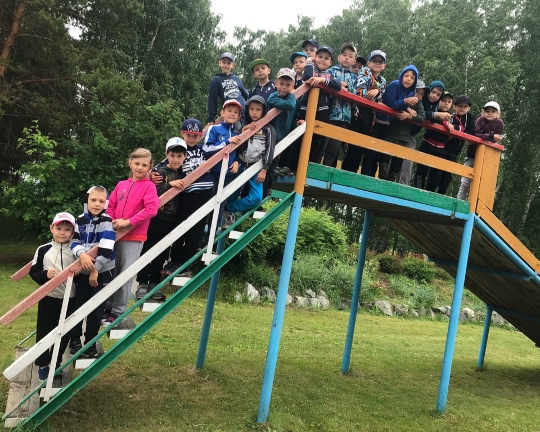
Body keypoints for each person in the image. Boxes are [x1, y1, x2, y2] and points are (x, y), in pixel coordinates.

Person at [103, 148, 160, 327]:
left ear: (150, 167)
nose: (140, 168)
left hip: (134, 237)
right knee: (111, 273)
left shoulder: (149, 186)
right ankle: (106, 308)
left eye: (144, 165)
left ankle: (118, 312)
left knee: (125, 275)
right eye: (137, 163)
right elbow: (110, 206)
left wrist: (128, 222)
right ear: (130, 163)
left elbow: (151, 209)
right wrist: (113, 221)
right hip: (115, 237)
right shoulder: (121, 185)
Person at [162, 119, 215, 277]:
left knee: (195, 232)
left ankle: (184, 264)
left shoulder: (204, 149)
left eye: (195, 136)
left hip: (205, 193)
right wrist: (154, 174)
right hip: (187, 194)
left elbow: (222, 152)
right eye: (189, 135)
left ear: (200, 136)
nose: (192, 139)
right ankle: (173, 261)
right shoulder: (179, 151)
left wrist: (236, 162)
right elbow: (164, 164)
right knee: (180, 228)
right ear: (182, 134)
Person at [135, 138, 187, 300]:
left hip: (171, 220)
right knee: (148, 249)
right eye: (173, 155)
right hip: (156, 218)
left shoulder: (184, 172)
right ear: (167, 155)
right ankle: (142, 282)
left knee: (163, 252)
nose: (176, 159)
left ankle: (154, 283)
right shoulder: (160, 173)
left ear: (185, 157)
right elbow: (154, 194)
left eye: (179, 156)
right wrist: (170, 185)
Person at [30, 212, 78, 380]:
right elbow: (33, 272)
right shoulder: (43, 250)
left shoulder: (76, 250)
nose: (62, 232)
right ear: (52, 228)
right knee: (44, 332)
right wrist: (45, 275)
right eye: (59, 228)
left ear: (73, 232)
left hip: (70, 299)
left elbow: (83, 273)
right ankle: (43, 364)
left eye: (67, 229)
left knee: (64, 333)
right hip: (48, 299)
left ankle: (55, 363)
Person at [70, 186, 116, 358]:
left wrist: (95, 269)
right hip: (83, 270)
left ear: (106, 203)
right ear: (87, 201)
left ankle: (90, 342)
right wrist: (82, 255)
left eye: (101, 201)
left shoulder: (107, 221)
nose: (97, 204)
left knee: (96, 309)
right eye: (93, 200)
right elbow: (74, 241)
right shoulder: (79, 220)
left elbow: (106, 247)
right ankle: (75, 340)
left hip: (103, 270)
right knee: (78, 306)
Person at [223, 96, 276, 226]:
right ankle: (226, 218)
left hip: (256, 166)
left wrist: (264, 169)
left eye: (258, 109)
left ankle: (230, 208)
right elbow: (237, 146)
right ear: (247, 110)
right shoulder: (244, 126)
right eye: (252, 109)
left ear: (264, 111)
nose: (254, 112)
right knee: (232, 191)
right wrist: (243, 131)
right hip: (241, 163)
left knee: (256, 197)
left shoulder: (268, 129)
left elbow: (270, 150)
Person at [368, 64, 419, 179]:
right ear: (402, 76)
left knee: (379, 155)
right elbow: (391, 104)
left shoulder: (411, 92)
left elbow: (401, 106)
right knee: (371, 153)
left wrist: (408, 109)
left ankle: (377, 181)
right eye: (406, 76)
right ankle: (367, 178)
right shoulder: (394, 85)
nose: (409, 79)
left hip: (388, 125)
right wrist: (406, 102)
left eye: (412, 78)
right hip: (378, 121)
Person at [341, 49, 387, 173]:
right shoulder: (365, 71)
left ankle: (352, 176)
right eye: (374, 60)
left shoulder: (382, 80)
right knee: (352, 148)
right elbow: (361, 92)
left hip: (370, 119)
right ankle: (345, 175)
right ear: (369, 62)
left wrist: (376, 92)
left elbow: (381, 97)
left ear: (384, 65)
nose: (377, 63)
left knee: (360, 150)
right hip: (357, 115)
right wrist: (377, 93)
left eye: (380, 61)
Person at [298, 45, 342, 163]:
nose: (322, 60)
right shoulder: (310, 68)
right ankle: (293, 166)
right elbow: (307, 77)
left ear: (330, 62)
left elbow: (338, 86)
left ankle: (311, 165)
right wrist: (308, 61)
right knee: (300, 136)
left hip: (322, 111)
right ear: (315, 57)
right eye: (320, 57)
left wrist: (322, 80)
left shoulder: (329, 75)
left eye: (326, 58)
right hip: (305, 108)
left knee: (317, 141)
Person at [401, 80, 448, 185]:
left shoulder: (434, 107)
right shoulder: (420, 100)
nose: (435, 96)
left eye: (438, 95)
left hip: (410, 135)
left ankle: (403, 186)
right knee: (387, 158)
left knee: (408, 162)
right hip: (399, 130)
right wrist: (436, 115)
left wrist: (446, 122)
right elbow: (423, 114)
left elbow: (431, 117)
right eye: (433, 92)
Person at [415, 92, 464, 191]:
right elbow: (427, 117)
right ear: (439, 101)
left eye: (449, 102)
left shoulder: (453, 117)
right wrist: (444, 123)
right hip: (427, 144)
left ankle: (430, 195)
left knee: (435, 176)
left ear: (451, 104)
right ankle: (417, 191)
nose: (446, 103)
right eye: (443, 100)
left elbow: (461, 128)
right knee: (421, 171)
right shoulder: (434, 111)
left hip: (441, 149)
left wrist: (452, 126)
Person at [457, 101, 504, 201]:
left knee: (482, 183)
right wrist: (490, 136)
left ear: (498, 113)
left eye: (493, 111)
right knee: (465, 182)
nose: (490, 113)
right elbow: (475, 134)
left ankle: (476, 204)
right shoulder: (480, 120)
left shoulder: (499, 123)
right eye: (487, 111)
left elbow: (497, 138)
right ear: (483, 112)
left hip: (487, 157)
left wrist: (487, 137)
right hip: (472, 155)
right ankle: (460, 201)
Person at [383, 79, 427, 182]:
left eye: (422, 94)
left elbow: (422, 118)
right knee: (384, 160)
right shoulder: (402, 97)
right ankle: (382, 178)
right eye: (417, 92)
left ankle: (391, 181)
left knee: (397, 163)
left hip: (404, 138)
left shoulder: (418, 105)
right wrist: (406, 107)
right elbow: (393, 103)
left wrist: (410, 116)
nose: (419, 96)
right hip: (391, 133)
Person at [322, 42, 358, 167]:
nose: (346, 57)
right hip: (330, 114)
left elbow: (355, 93)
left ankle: (325, 171)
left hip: (344, 118)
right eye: (344, 55)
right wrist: (339, 85)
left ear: (354, 61)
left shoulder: (353, 77)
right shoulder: (331, 71)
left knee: (334, 148)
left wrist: (346, 85)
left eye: (350, 56)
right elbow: (327, 83)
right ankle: (314, 171)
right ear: (338, 57)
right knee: (323, 144)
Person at [439, 95, 475, 194]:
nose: (462, 108)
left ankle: (441, 193)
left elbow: (471, 132)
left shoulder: (470, 118)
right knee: (436, 170)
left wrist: (457, 130)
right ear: (454, 106)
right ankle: (430, 190)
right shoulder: (450, 115)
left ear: (469, 108)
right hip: (443, 146)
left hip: (454, 150)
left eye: (465, 106)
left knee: (447, 173)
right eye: (460, 106)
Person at [202, 99, 243, 188]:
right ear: (222, 113)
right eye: (229, 111)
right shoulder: (214, 129)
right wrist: (227, 142)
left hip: (229, 176)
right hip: (213, 175)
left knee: (227, 197)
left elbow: (238, 153)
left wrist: (237, 162)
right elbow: (206, 149)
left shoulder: (237, 134)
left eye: (236, 112)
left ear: (239, 117)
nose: (232, 114)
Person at [267, 68, 297, 181]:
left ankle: (270, 182)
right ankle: (267, 184)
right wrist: (291, 96)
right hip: (272, 135)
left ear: (293, 85)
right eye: (281, 84)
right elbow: (289, 105)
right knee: (269, 161)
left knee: (275, 160)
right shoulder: (273, 96)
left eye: (288, 85)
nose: (284, 87)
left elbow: (293, 109)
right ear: (275, 83)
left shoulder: (293, 99)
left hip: (284, 135)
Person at [207, 52, 249, 127]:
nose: (226, 65)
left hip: (245, 110)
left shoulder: (237, 79)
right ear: (219, 63)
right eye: (224, 62)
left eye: (228, 63)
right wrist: (211, 118)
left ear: (232, 65)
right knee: (238, 131)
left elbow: (247, 95)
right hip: (232, 113)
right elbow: (212, 100)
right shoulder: (216, 80)